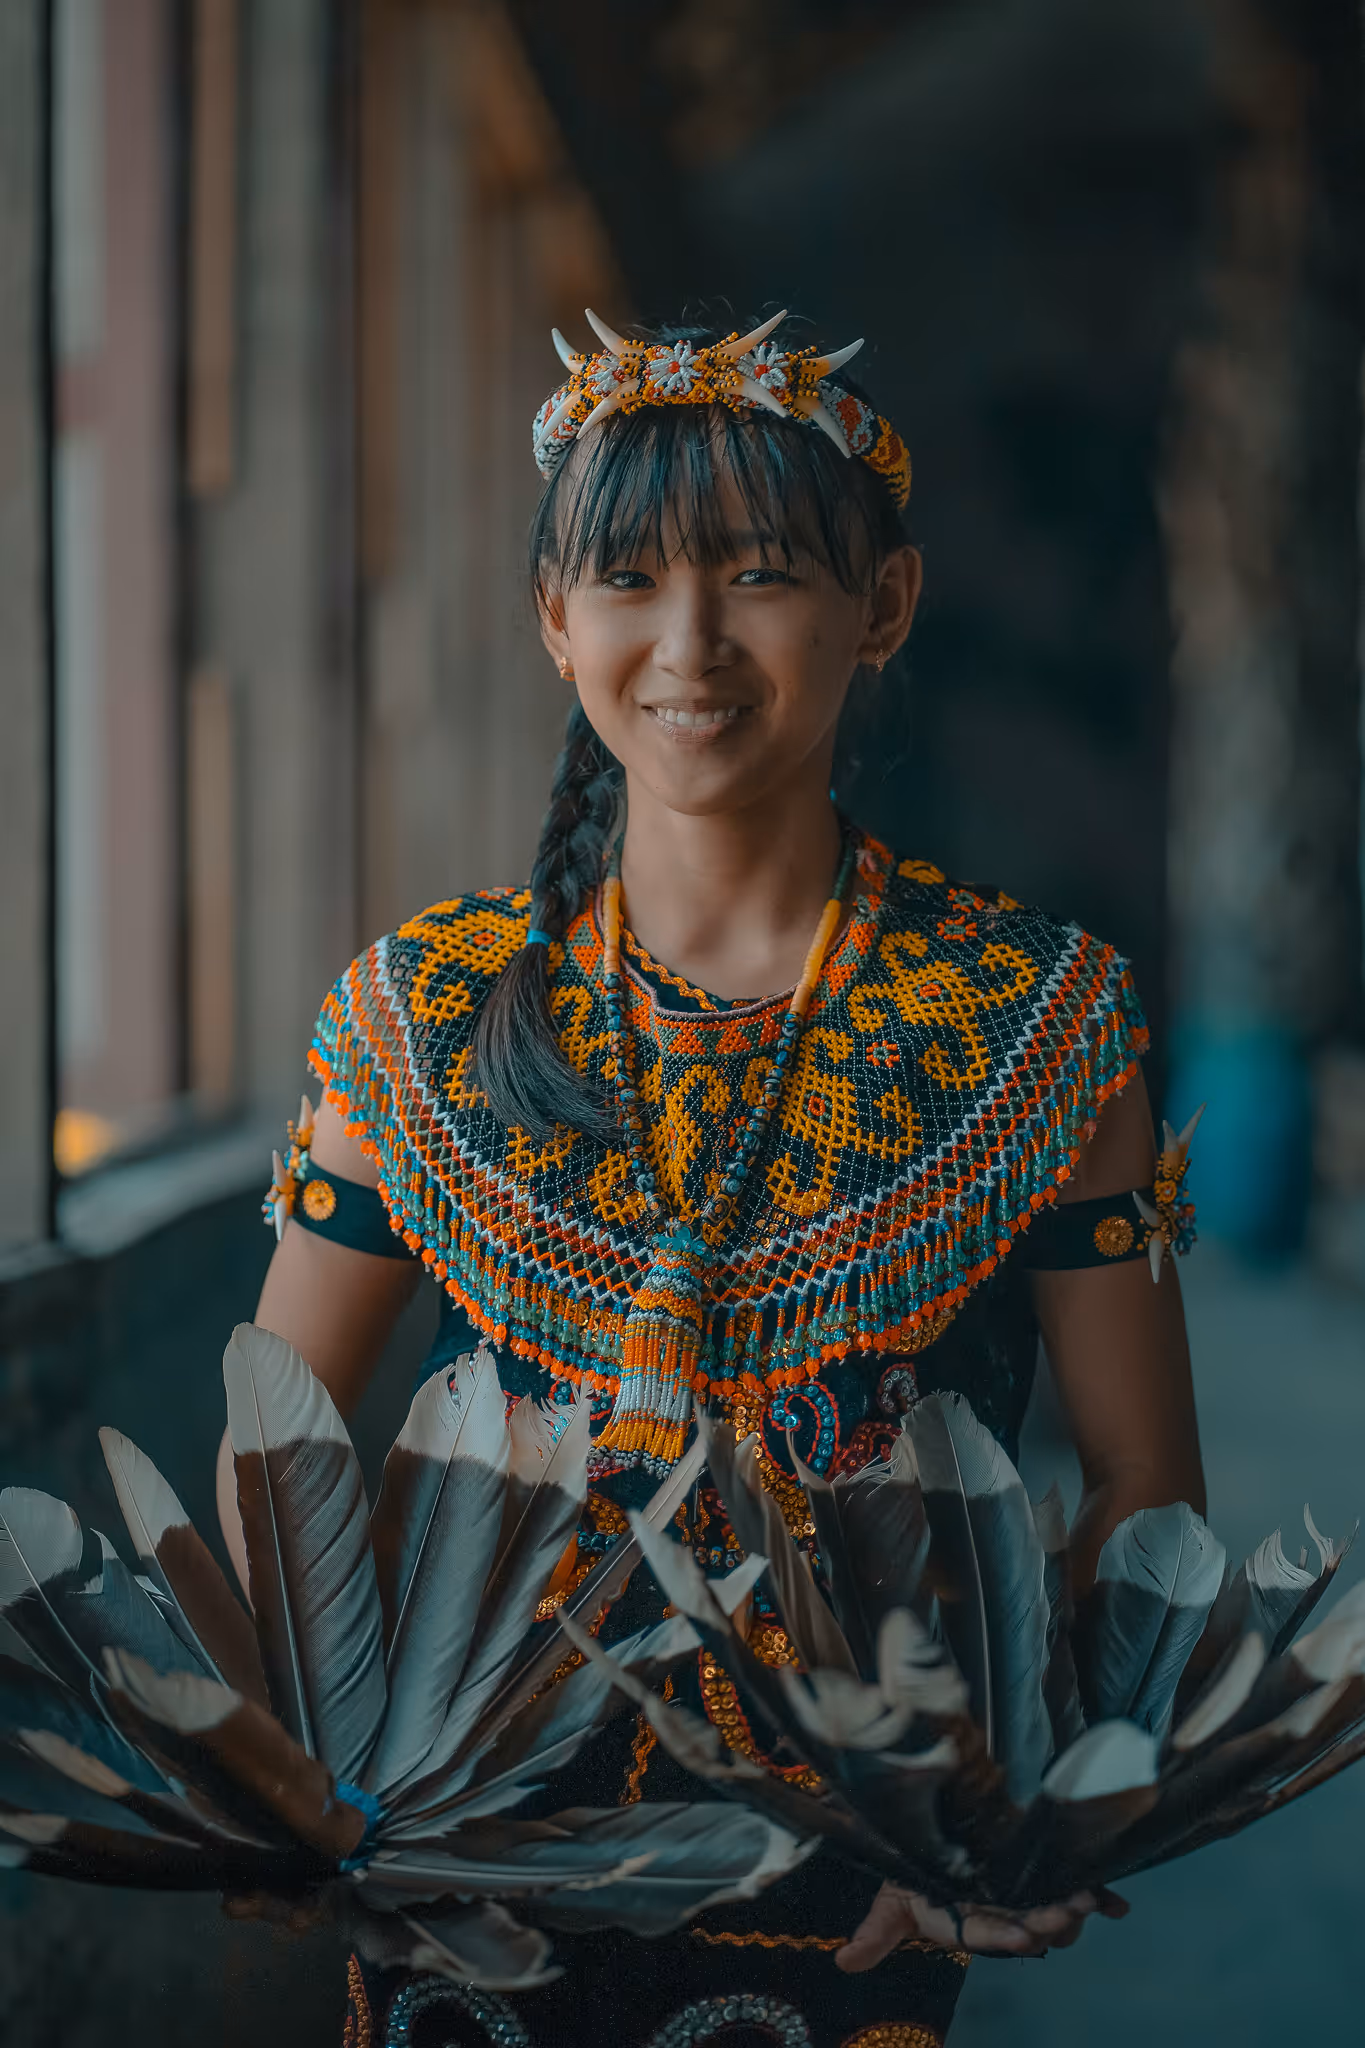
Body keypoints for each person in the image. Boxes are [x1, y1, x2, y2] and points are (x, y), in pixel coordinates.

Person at [221, 308, 1205, 2048]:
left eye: (760, 578)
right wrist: (289, 1759)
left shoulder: (1036, 1026)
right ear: (554, 620)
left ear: (881, 608)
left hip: (864, 1887)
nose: (690, 646)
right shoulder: (421, 1018)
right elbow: (278, 1433)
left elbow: (1139, 1480)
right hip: (464, 1873)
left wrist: (1026, 1799)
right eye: (626, 583)